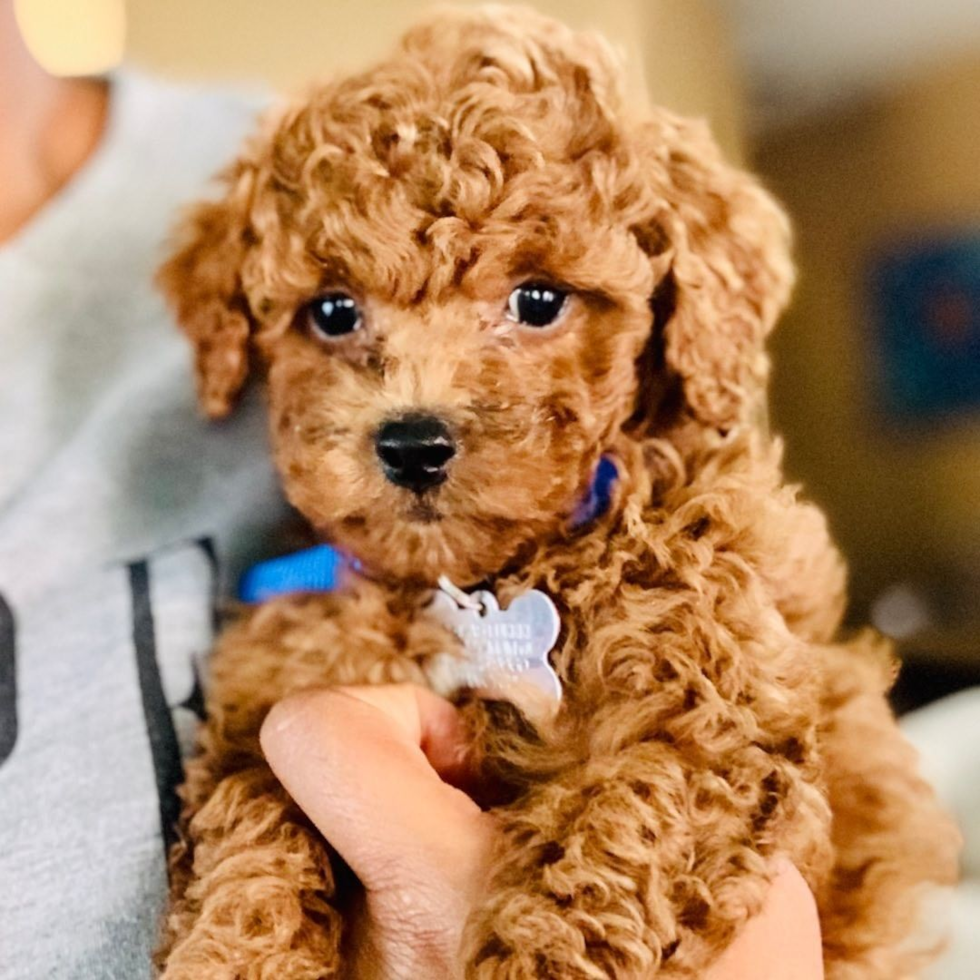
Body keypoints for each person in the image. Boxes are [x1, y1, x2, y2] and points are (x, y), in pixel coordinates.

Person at [0, 3, 821, 976]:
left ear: (674, 304)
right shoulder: (308, 598)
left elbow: (748, 785)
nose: (414, 405)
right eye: (337, 314)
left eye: (535, 302)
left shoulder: (697, 564)